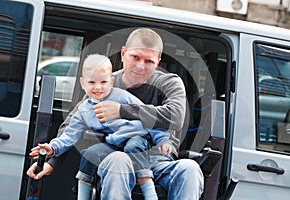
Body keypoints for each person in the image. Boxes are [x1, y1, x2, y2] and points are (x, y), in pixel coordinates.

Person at [27, 28, 204, 200]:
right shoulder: (105, 83)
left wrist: (121, 111)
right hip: (118, 156)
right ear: (123, 54)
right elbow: (72, 124)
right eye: (135, 57)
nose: (140, 66)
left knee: (190, 169)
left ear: (158, 61)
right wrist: (50, 161)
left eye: (148, 61)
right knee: (118, 160)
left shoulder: (168, 82)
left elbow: (175, 117)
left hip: (158, 160)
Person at [30, 54, 171, 200]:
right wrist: (53, 147)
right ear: (83, 83)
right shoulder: (84, 109)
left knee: (133, 147)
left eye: (103, 82)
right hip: (113, 144)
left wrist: (162, 140)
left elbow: (148, 118)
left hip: (136, 137)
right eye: (92, 82)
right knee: (89, 154)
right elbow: (69, 135)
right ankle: (82, 195)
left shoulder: (122, 97)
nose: (98, 87)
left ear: (111, 81)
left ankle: (149, 193)